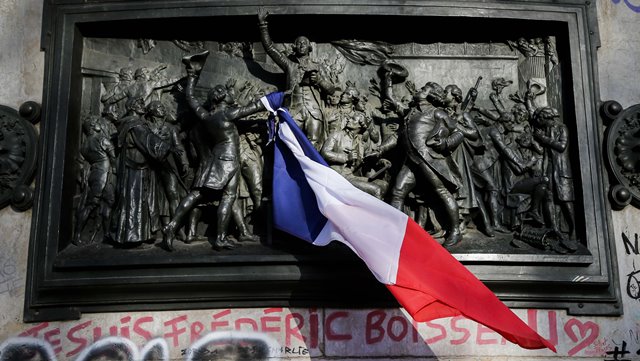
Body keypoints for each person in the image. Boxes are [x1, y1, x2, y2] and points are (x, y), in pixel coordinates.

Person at [161, 51, 268, 251]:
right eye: (227, 93)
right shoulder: (227, 113)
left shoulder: (206, 115)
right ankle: (178, 227)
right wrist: (276, 98)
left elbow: (191, 98)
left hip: (220, 159)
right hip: (228, 160)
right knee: (203, 195)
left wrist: (192, 75)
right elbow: (254, 107)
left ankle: (208, 235)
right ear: (221, 97)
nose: (230, 94)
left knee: (213, 196)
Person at [388, 83, 465, 247]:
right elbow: (398, 136)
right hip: (411, 160)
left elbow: (459, 132)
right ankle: (396, 232)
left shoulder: (436, 112)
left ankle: (456, 231)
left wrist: (446, 143)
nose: (418, 91)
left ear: (432, 96)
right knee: (397, 192)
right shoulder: (410, 113)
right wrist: (380, 149)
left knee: (441, 191)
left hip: (428, 159)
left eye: (423, 90)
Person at [258, 8, 336, 149]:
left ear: (309, 47)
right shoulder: (289, 64)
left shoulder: (318, 67)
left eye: (304, 43)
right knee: (289, 143)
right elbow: (270, 48)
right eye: (298, 43)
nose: (301, 45)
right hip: (294, 109)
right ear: (294, 47)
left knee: (314, 145)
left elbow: (331, 90)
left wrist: (319, 81)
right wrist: (263, 25)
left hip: (314, 111)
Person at [110, 97, 171, 246]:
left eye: (143, 103)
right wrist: (165, 146)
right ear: (131, 107)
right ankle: (133, 236)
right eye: (138, 104)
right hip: (136, 170)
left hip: (138, 167)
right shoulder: (135, 125)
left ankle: (143, 233)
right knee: (135, 202)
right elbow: (149, 140)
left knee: (139, 202)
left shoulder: (131, 123)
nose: (142, 106)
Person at [74, 115, 116, 245]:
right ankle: (77, 235)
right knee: (97, 204)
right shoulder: (102, 139)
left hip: (95, 174)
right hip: (105, 174)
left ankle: (106, 233)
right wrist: (115, 169)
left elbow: (82, 162)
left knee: (102, 203)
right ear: (93, 126)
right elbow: (113, 156)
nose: (99, 124)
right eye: (97, 122)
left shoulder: (84, 145)